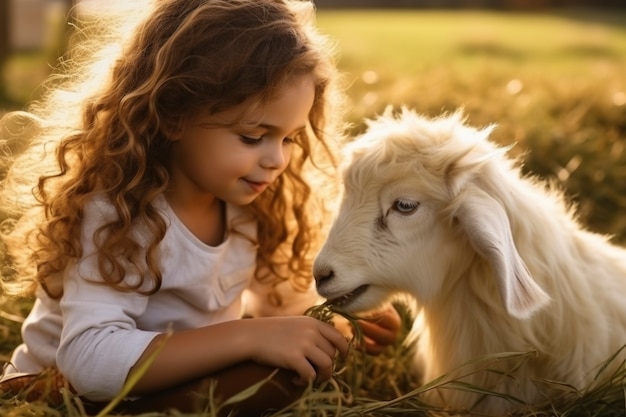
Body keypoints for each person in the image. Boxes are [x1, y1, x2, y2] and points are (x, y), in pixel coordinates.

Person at [0, 0, 401, 414]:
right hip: (56, 392)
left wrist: (341, 317)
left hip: (166, 386)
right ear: (173, 115)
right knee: (268, 373)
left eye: (288, 139)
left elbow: (280, 307)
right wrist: (249, 338)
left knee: (291, 372)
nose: (277, 160)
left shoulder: (251, 205)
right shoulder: (119, 213)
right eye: (252, 137)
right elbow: (88, 360)